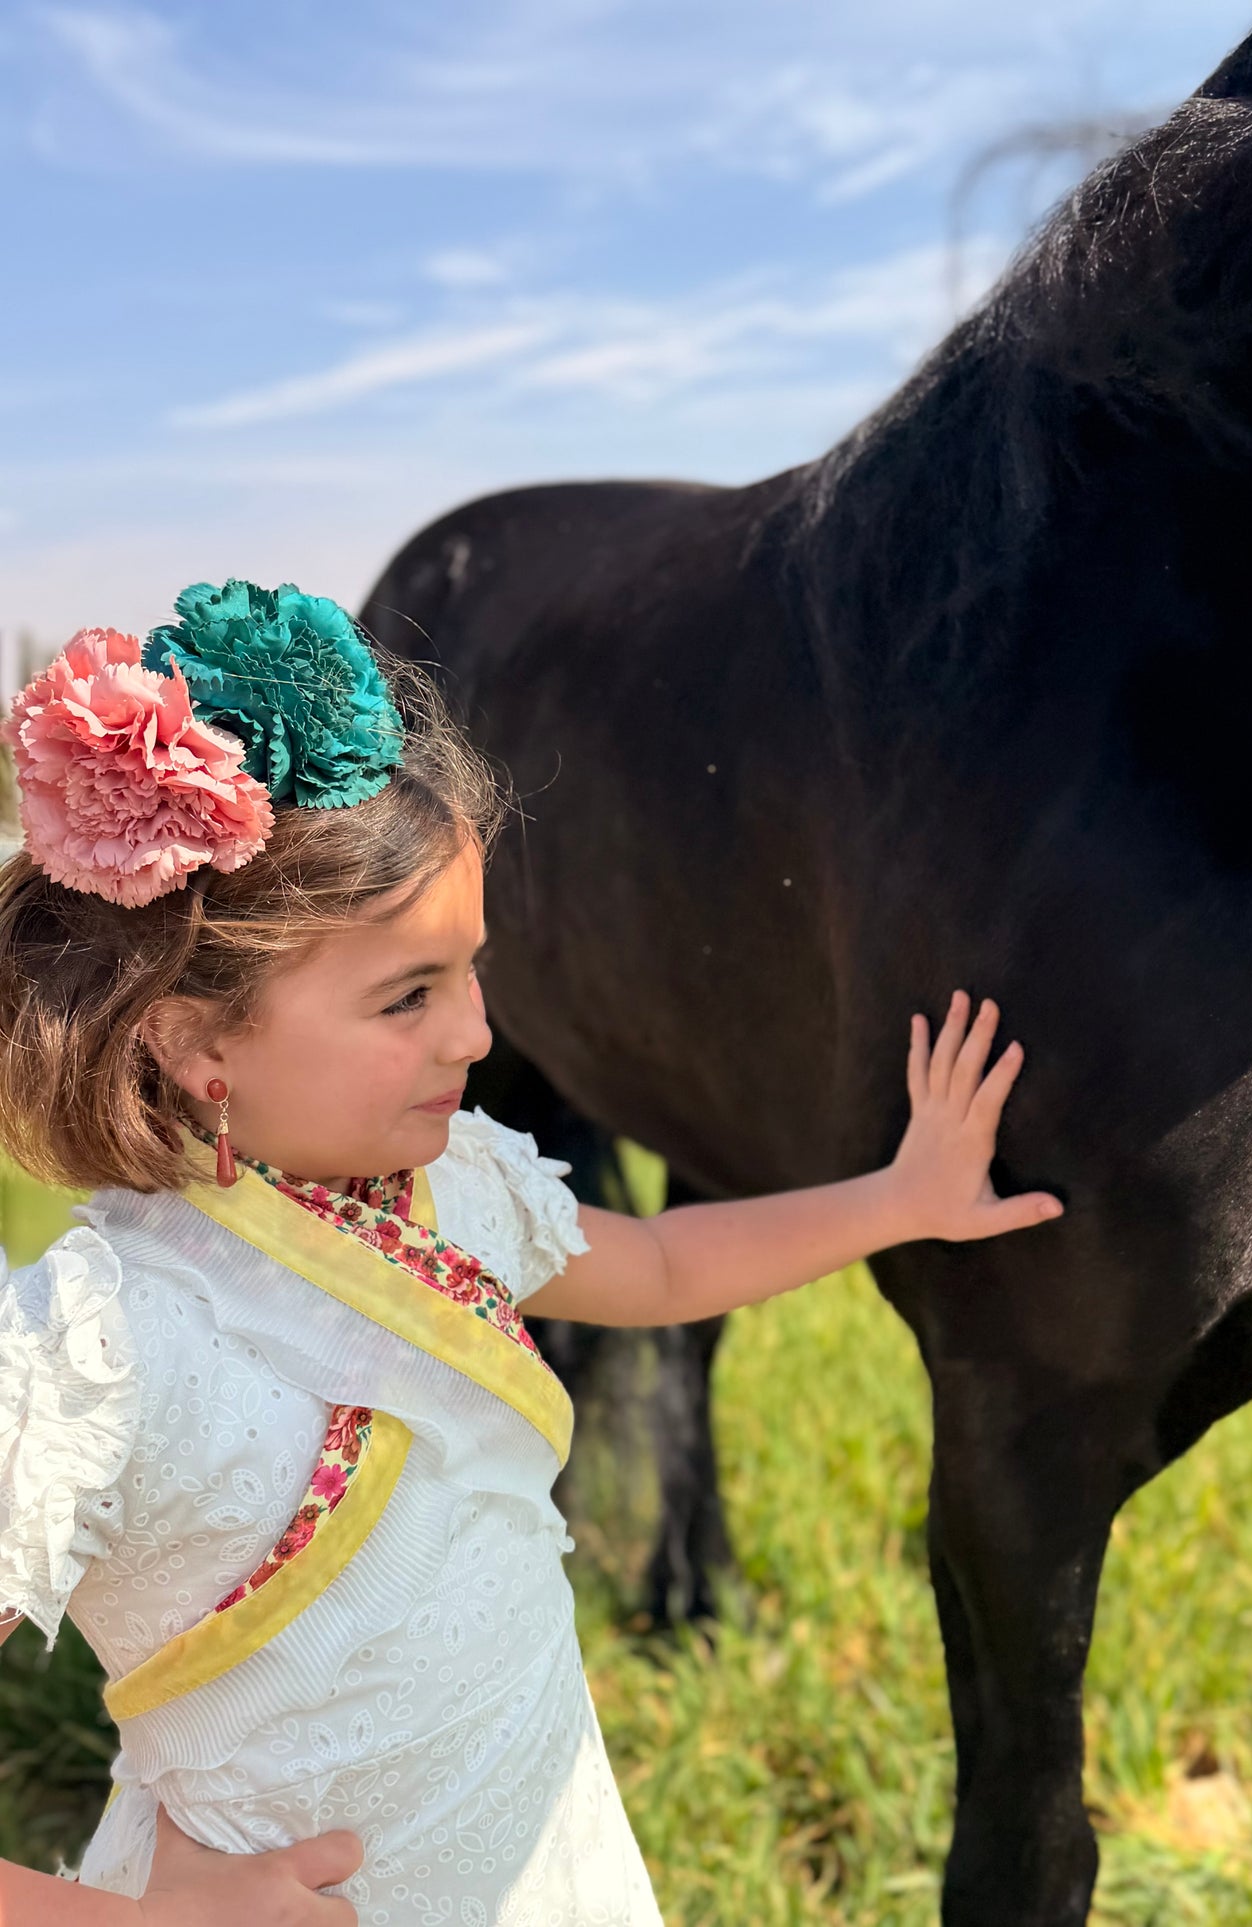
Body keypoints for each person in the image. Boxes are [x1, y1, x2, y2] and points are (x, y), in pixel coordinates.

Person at [0, 582, 1063, 1924]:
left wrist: (899, 1198)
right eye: (409, 997)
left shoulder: (456, 1186)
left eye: (470, 972)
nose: (477, 1038)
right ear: (195, 1040)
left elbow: (666, 1268)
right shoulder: (98, 1349)